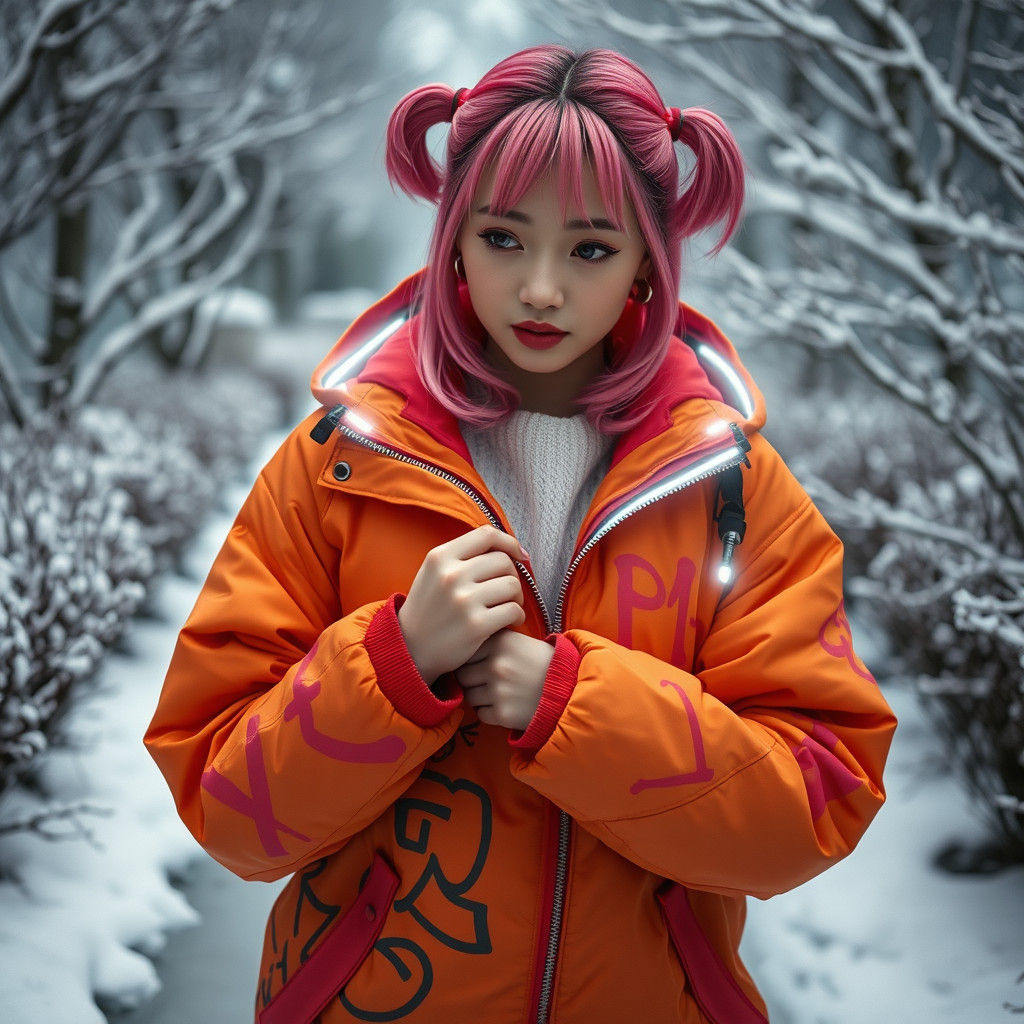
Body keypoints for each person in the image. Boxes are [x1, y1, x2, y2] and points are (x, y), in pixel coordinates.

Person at [145, 44, 896, 1024]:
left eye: (589, 249)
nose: (541, 288)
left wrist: (574, 705)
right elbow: (226, 806)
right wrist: (396, 664)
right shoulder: (333, 469)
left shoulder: (735, 495)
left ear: (644, 261)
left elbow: (817, 801)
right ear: (454, 236)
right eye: (504, 238)